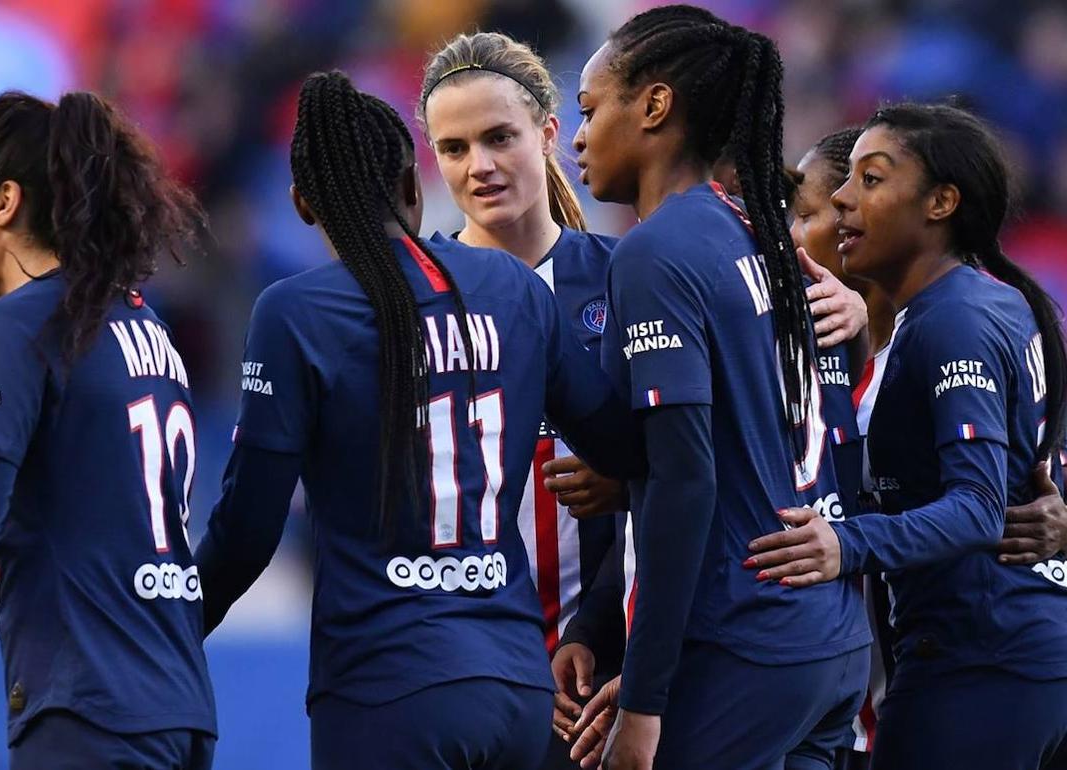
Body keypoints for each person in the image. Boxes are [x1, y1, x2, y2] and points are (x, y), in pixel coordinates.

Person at [193, 71, 640, 770]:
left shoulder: (295, 312)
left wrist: (170, 627)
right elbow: (630, 445)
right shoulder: (514, 287)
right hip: (520, 686)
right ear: (412, 184)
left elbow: (248, 528)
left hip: (388, 687)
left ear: (303, 205)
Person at [0, 90, 216, 768]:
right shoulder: (143, 326)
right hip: (178, 708)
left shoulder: (20, 323)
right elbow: (73, 552)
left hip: (84, 711)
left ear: (3, 202)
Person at [566, 6, 871, 769]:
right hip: (826, 642)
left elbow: (685, 480)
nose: (577, 136)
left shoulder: (657, 252)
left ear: (655, 105)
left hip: (739, 644)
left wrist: (643, 699)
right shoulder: (762, 232)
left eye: (590, 108)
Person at [747, 102, 1067, 770]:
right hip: (1015, 656)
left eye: (870, 180)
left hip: (979, 662)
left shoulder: (953, 321)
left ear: (941, 203)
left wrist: (844, 541)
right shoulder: (992, 305)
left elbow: (978, 507)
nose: (840, 203)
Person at [417, 32, 628, 766]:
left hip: (598, 672)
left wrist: (856, 322)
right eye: (453, 148)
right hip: (465, 669)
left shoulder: (626, 279)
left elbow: (695, 457)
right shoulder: (410, 299)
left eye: (500, 137)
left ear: (547, 133)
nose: (479, 166)